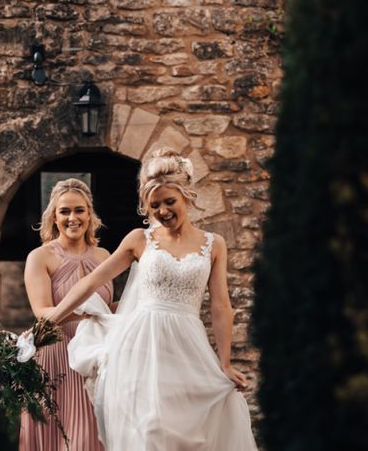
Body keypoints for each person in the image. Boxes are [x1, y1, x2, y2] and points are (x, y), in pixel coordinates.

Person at [47, 148, 258, 450]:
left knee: (190, 432)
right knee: (150, 429)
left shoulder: (214, 244)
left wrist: (224, 362)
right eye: (154, 205)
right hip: (140, 346)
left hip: (187, 346)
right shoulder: (139, 239)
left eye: (170, 202)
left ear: (187, 195)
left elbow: (221, 305)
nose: (162, 211)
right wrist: (51, 319)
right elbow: (92, 282)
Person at [19, 178, 113, 451]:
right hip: (59, 357)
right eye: (65, 211)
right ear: (54, 218)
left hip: (97, 355)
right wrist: (88, 312)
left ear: (89, 214)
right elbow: (42, 312)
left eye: (79, 210)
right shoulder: (40, 257)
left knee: (97, 436)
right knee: (71, 438)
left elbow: (107, 309)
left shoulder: (105, 255)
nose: (73, 218)